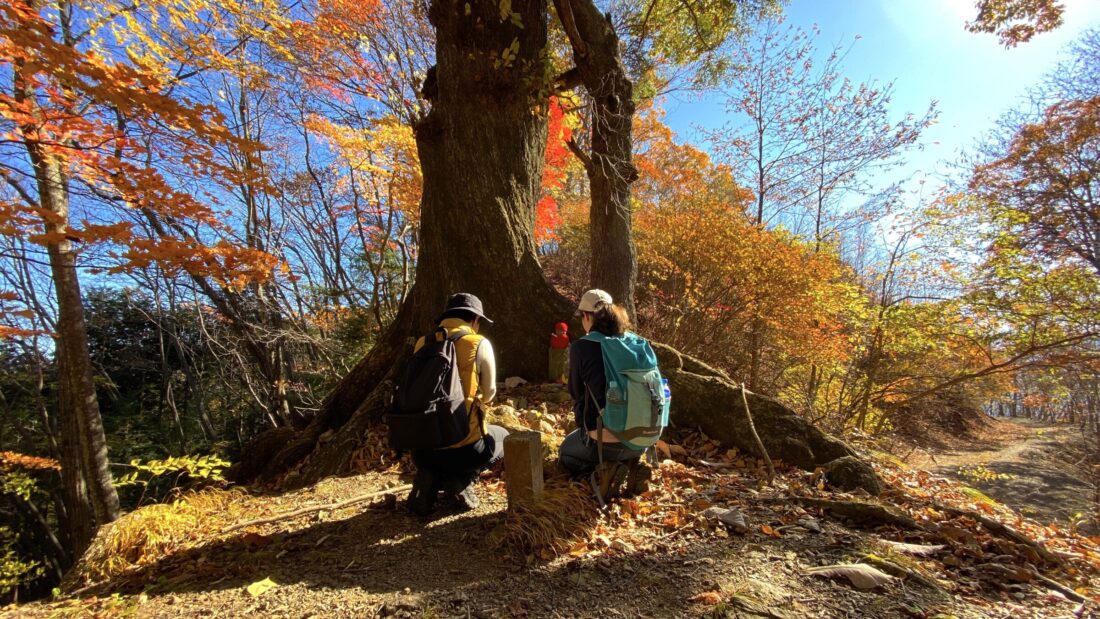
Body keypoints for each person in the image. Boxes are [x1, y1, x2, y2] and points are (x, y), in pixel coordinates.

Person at [406, 293, 509, 516]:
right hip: (466, 451)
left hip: (421, 450)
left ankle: (430, 477)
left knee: (435, 453)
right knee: (502, 436)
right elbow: (490, 392)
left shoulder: (422, 343)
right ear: (474, 320)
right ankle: (461, 478)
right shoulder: (478, 343)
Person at [559, 289, 653, 497]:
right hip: (644, 439)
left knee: (566, 453)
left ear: (586, 316)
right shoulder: (638, 343)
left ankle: (606, 470)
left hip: (601, 442)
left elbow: (575, 391)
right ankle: (631, 465)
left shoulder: (582, 346)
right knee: (622, 439)